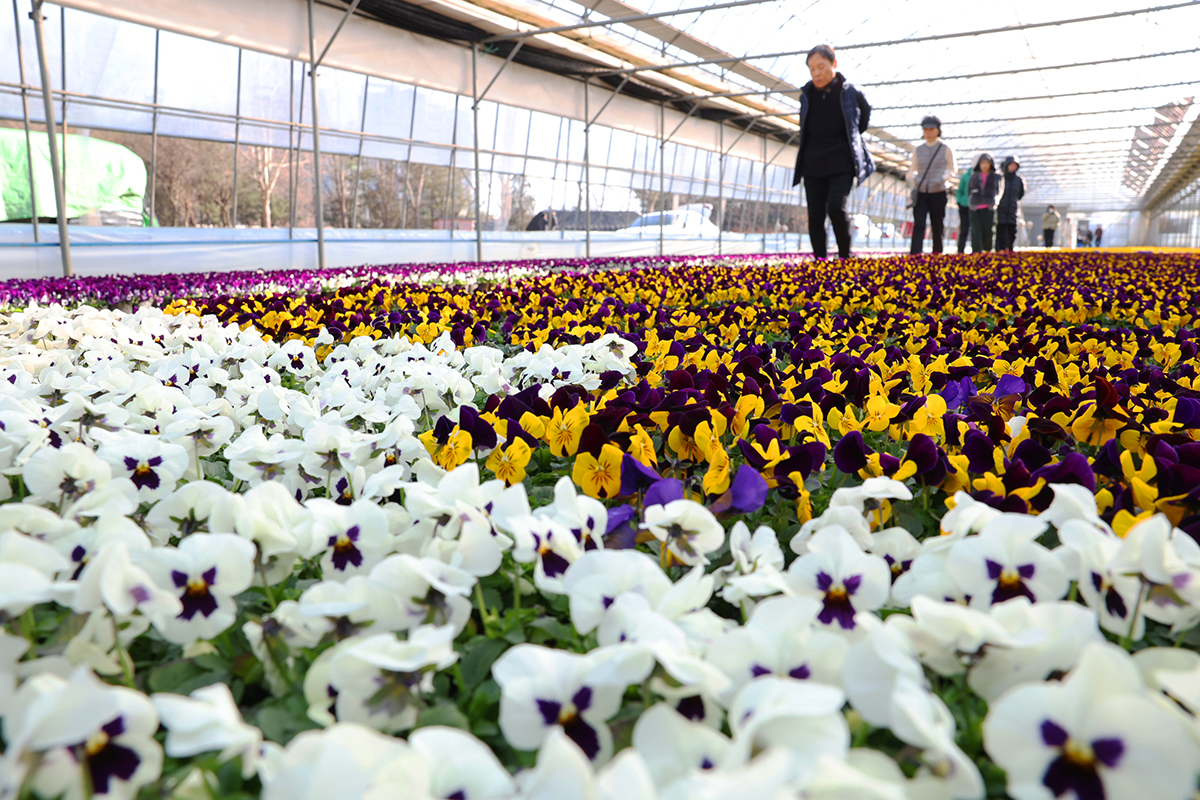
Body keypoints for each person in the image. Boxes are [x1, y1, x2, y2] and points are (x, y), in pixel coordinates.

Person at [792, 44, 874, 260]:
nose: (816, 73)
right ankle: (820, 261)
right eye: (812, 69)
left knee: (836, 207)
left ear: (834, 64)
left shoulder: (850, 92)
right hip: (812, 163)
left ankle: (844, 257)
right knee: (815, 214)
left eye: (821, 67)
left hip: (841, 161)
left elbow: (863, 118)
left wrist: (851, 137)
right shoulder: (807, 94)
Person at [907, 115, 956, 254]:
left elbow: (952, 168)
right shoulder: (918, 150)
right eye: (925, 129)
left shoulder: (945, 148)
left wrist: (943, 178)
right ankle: (915, 254)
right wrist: (913, 178)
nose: (928, 132)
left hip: (938, 191)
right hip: (921, 191)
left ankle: (937, 254)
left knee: (937, 224)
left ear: (938, 130)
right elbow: (913, 168)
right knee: (919, 224)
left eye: (931, 129)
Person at [967, 152, 1000, 253]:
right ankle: (976, 252)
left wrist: (995, 201)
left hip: (989, 207)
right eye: (982, 163)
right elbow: (969, 190)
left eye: (987, 163)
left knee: (988, 230)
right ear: (979, 164)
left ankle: (987, 251)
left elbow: (999, 190)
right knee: (976, 230)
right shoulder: (974, 176)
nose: (985, 165)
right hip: (975, 207)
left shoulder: (996, 176)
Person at [995, 156, 1024, 251]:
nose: (1012, 167)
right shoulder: (1001, 178)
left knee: (1012, 231)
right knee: (1001, 231)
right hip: (1001, 209)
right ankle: (1000, 250)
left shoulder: (1019, 180)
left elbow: (1020, 194)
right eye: (1011, 165)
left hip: (1012, 209)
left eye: (1015, 165)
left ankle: (1010, 250)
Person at [955, 163, 972, 254]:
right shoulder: (965, 177)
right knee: (964, 229)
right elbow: (960, 190)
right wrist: (959, 201)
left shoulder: (981, 176)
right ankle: (960, 251)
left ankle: (976, 251)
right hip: (964, 205)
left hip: (976, 206)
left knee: (975, 230)